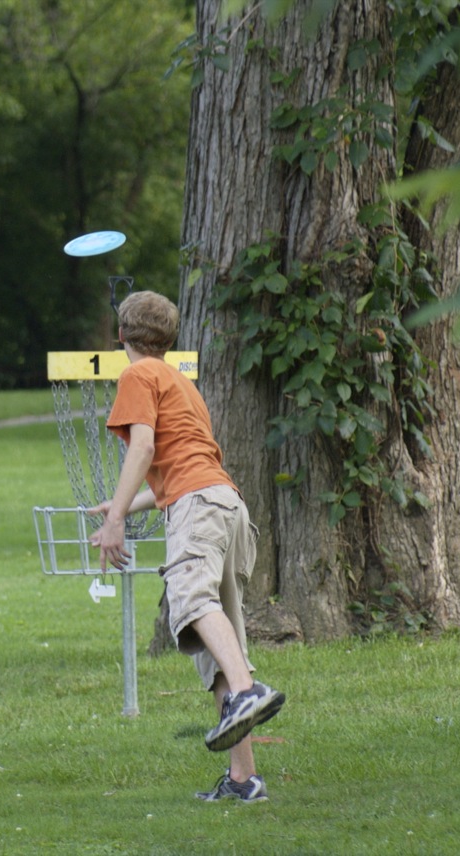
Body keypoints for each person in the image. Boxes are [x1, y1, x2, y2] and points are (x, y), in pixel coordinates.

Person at [89, 290, 285, 804]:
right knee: (218, 650)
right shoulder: (181, 382)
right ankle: (244, 780)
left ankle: (249, 693)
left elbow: (145, 447)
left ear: (121, 336)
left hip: (199, 508)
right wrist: (123, 505)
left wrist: (115, 519)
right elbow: (178, 464)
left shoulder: (138, 375)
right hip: (223, 503)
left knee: (192, 600)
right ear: (169, 339)